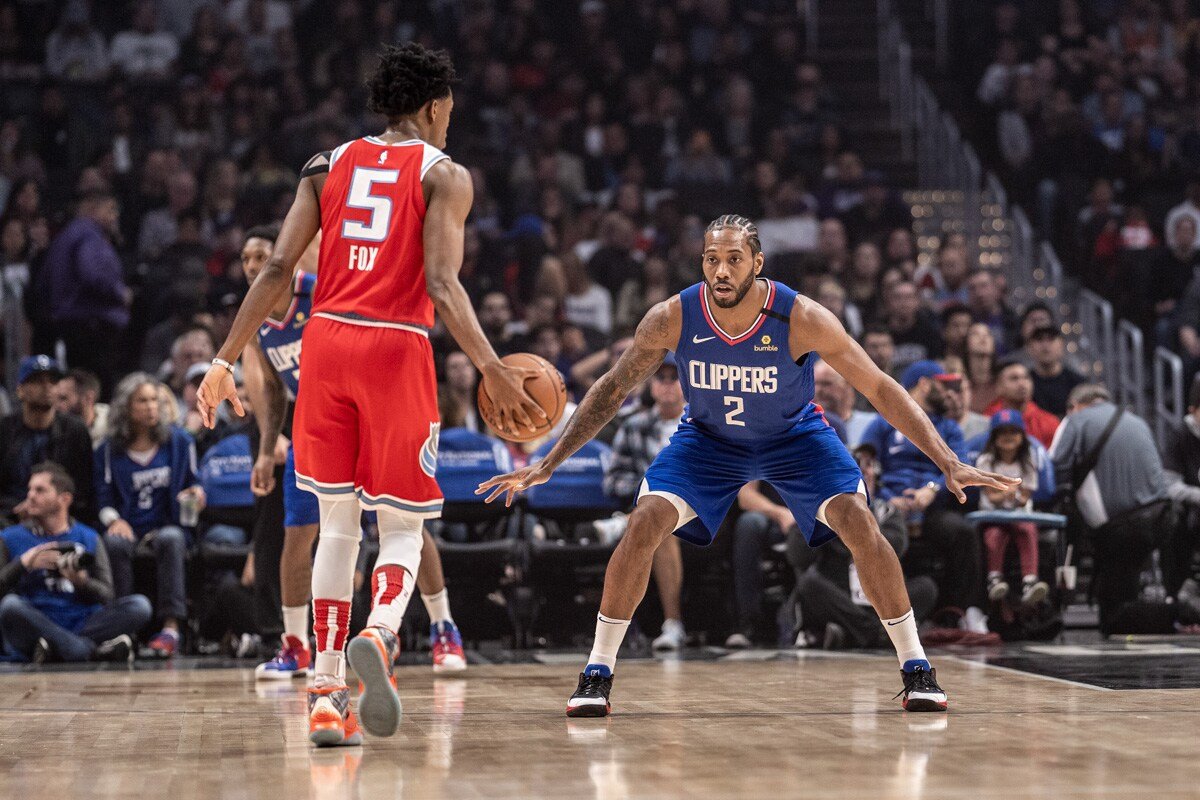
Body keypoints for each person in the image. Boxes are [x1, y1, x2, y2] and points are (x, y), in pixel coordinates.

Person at [480, 215, 1017, 717]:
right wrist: (550, 461)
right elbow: (614, 387)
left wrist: (947, 460)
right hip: (710, 441)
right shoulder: (673, 316)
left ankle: (916, 665)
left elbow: (878, 385)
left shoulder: (800, 316)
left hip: (794, 437)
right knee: (644, 521)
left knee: (858, 520)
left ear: (757, 263)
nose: (720, 270)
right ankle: (597, 670)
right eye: (712, 259)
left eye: (734, 259)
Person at [196, 43, 541, 747]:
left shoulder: (324, 166)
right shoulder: (446, 173)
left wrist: (222, 358)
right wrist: (492, 366)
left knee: (338, 526)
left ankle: (325, 694)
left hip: (324, 346)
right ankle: (381, 636)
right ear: (436, 106)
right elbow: (443, 286)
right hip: (394, 348)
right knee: (404, 528)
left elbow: (279, 272)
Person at [236, 226, 467, 680]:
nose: (251, 265)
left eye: (261, 254)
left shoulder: (318, 291)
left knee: (403, 523)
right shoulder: (257, 318)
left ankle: (444, 628)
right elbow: (275, 394)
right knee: (297, 536)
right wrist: (266, 449)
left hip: (371, 416)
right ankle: (297, 645)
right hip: (316, 427)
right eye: (245, 258)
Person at [860, 360, 989, 634]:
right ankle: (879, 612)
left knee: (963, 532)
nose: (949, 394)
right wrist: (885, 499)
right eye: (944, 386)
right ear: (924, 384)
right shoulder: (882, 422)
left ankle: (957, 611)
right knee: (874, 531)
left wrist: (931, 489)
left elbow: (961, 468)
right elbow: (864, 467)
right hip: (889, 505)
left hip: (931, 506)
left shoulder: (949, 427)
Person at [1049, 384, 1178, 635]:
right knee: (1126, 590)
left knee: (1114, 612)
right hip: (1162, 516)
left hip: (1121, 526)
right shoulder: (1137, 421)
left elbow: (1055, 468)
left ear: (1074, 406)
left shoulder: (1075, 420)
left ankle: (1169, 616)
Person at [96, 373, 204, 659]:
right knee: (114, 542)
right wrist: (114, 520)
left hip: (168, 526)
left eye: (155, 400)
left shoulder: (179, 442)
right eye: (142, 401)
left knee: (171, 538)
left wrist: (197, 495)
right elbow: (103, 499)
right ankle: (125, 628)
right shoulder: (109, 450)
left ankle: (171, 629)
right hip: (129, 526)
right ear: (125, 408)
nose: (151, 407)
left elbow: (195, 483)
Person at [0, 464, 151, 663]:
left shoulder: (89, 537)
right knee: (10, 606)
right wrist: (24, 563)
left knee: (140, 606)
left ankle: (57, 649)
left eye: (40, 490)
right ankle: (88, 650)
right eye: (30, 489)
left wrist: (81, 581)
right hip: (37, 618)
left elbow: (107, 594)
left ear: (65, 499)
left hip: (82, 620)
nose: (31, 495)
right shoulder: (10, 537)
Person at [600, 355, 689, 652]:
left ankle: (619, 524)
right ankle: (671, 625)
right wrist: (647, 488)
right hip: (653, 511)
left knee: (657, 516)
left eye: (673, 378)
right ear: (650, 385)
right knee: (657, 518)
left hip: (698, 508)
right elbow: (613, 480)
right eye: (659, 378)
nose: (666, 385)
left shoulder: (702, 425)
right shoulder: (633, 426)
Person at [37, 190, 129, 396]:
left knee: (77, 383)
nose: (115, 216)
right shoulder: (89, 236)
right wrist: (119, 293)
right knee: (95, 389)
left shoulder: (64, 237)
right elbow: (93, 275)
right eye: (110, 209)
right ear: (92, 208)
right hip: (92, 326)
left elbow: (43, 282)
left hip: (69, 325)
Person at [0, 356, 95, 526]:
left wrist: (49, 507)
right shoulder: (4, 430)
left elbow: (84, 489)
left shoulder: (75, 431)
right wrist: (15, 510)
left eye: (53, 381)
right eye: (37, 381)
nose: (47, 387)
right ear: (20, 390)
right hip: (9, 518)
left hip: (63, 517)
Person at [975, 410, 1048, 606]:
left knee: (1027, 530)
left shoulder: (1028, 461)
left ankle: (1030, 581)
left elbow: (1024, 498)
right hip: (992, 515)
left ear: (1022, 436)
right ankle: (994, 578)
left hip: (1019, 514)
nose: (1008, 437)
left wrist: (1012, 495)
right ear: (994, 437)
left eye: (1013, 432)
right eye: (1002, 432)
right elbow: (992, 497)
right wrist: (1008, 493)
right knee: (994, 536)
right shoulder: (985, 461)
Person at [985, 358, 1060, 448]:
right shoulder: (987, 420)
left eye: (1026, 378)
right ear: (998, 387)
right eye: (1014, 379)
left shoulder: (1049, 423)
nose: (1022, 383)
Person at [1024, 326, 1084, 418]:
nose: (1045, 345)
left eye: (1051, 339)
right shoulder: (1023, 383)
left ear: (1061, 345)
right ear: (1029, 348)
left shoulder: (1078, 383)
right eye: (1039, 339)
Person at [53, 368, 109, 446]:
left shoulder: (113, 431)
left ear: (88, 398)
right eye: (55, 398)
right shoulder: (52, 431)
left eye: (63, 398)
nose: (56, 406)